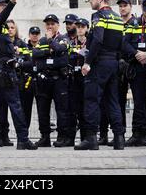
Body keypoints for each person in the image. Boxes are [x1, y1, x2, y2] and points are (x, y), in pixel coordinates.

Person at [0, 0, 36, 150]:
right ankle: (23, 139)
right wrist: (12, 2)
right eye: (1, 5)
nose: (4, 7)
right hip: (3, 68)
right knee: (15, 104)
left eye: (5, 5)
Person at [74, 0, 125, 151]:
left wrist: (87, 62)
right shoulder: (117, 18)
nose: (90, 0)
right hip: (113, 63)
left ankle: (91, 138)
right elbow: (121, 43)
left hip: (99, 63)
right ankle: (119, 138)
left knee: (91, 100)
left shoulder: (98, 16)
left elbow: (97, 39)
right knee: (113, 100)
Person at [99, 0, 137, 146]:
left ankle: (138, 134)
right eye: (120, 5)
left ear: (130, 7)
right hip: (117, 65)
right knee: (117, 101)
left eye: (125, 5)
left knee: (138, 102)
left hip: (132, 64)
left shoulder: (135, 23)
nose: (122, 8)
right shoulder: (116, 22)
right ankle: (118, 134)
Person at [33, 14, 73, 148]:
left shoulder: (64, 39)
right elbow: (35, 54)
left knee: (61, 110)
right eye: (47, 24)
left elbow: (61, 52)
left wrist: (51, 42)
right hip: (44, 80)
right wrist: (49, 53)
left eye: (52, 24)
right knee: (42, 110)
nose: (50, 26)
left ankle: (62, 137)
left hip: (59, 80)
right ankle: (45, 137)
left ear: (57, 25)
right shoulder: (42, 40)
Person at [124, 0, 146, 147]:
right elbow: (125, 43)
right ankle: (139, 134)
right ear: (142, 9)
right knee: (139, 101)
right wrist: (137, 54)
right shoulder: (134, 23)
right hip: (138, 67)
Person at [7, 20, 34, 131]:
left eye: (12, 27)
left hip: (20, 80)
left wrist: (19, 63)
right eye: (8, 27)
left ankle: (23, 133)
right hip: (5, 79)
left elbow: (30, 62)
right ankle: (3, 136)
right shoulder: (1, 42)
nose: (10, 30)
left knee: (23, 108)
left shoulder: (21, 43)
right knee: (2, 109)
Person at [68, 18, 89, 143]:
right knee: (77, 109)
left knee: (87, 107)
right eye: (78, 26)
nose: (80, 29)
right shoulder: (72, 42)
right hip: (75, 78)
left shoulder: (90, 41)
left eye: (82, 26)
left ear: (87, 28)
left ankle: (87, 136)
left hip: (86, 78)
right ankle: (81, 137)